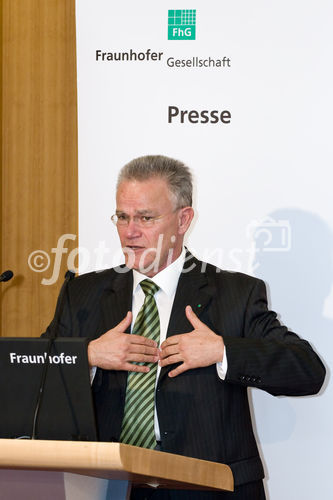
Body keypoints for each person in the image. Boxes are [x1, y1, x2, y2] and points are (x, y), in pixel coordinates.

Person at [45, 155, 325, 499]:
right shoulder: (83, 294)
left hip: (207, 486)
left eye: (145, 218)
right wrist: (86, 355)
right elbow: (30, 382)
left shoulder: (235, 293)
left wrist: (223, 351)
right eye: (122, 217)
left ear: (183, 219)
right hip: (110, 486)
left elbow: (307, 372)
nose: (130, 231)